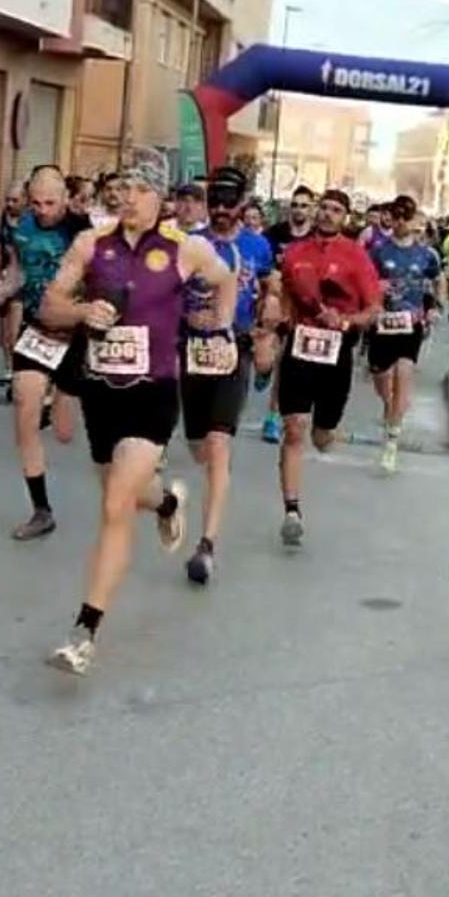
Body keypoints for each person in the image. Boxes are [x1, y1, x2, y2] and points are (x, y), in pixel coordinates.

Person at [39, 164, 234, 675]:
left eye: (142, 189)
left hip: (154, 392)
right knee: (125, 491)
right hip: (101, 391)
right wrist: (82, 314)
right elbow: (50, 304)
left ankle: (85, 630)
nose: (130, 197)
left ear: (161, 196)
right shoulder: (91, 243)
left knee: (114, 504)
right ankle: (168, 501)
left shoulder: (183, 247)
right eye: (123, 188)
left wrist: (222, 327)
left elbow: (225, 279)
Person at [181, 167, 272, 584]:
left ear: (243, 203)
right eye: (213, 200)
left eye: (227, 201)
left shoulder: (258, 246)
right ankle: (182, 503)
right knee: (198, 446)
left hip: (234, 350)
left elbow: (273, 290)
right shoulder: (191, 244)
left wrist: (268, 326)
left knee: (219, 446)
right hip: (191, 351)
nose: (220, 209)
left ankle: (207, 545)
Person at [277, 189, 381, 546]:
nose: (326, 214)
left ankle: (330, 432)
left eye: (335, 210)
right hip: (300, 347)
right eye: (324, 207)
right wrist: (278, 323)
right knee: (294, 428)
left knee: (320, 438)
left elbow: (373, 309)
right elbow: (285, 294)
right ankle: (292, 510)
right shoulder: (295, 253)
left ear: (346, 217)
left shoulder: (356, 256)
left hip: (338, 352)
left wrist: (348, 323)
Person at [0, 167, 91, 541]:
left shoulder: (83, 231)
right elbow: (18, 269)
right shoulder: (20, 226)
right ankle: (41, 509)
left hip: (74, 331)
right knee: (24, 407)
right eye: (36, 203)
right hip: (36, 328)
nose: (43, 210)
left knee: (66, 432)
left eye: (51, 203)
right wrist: (2, 290)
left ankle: (60, 403)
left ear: (66, 197)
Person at [368, 195, 441, 473]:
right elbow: (365, 283)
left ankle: (391, 442)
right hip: (383, 324)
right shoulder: (379, 251)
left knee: (404, 374)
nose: (401, 222)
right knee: (381, 377)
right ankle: (389, 406)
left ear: (414, 220)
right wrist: (376, 289)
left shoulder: (426, 254)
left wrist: (432, 308)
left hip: (412, 325)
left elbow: (433, 282)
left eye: (406, 217)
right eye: (396, 216)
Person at [262, 184, 316, 443]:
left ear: (312, 209)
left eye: (304, 205)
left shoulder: (316, 238)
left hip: (300, 307)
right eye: (295, 205)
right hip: (273, 301)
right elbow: (262, 266)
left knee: (285, 362)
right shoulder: (274, 233)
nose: (299, 210)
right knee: (268, 360)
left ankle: (272, 418)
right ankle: (263, 369)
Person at [0, 181, 26, 387]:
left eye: (15, 200)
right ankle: (8, 368)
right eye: (8, 199)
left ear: (25, 200)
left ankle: (19, 371)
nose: (10, 204)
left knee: (14, 330)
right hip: (5, 275)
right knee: (3, 332)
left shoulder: (31, 223)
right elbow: (2, 249)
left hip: (23, 278)